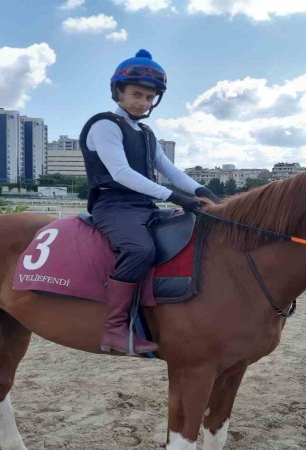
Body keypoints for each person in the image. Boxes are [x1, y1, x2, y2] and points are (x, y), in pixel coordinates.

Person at [79, 49, 222, 354]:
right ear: (118, 92)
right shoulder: (104, 126)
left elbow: (171, 171)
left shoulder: (146, 133)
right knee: (139, 249)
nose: (143, 102)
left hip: (144, 207)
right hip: (113, 206)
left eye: (149, 97)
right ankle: (114, 329)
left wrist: (204, 192)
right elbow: (121, 173)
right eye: (136, 94)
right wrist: (175, 197)